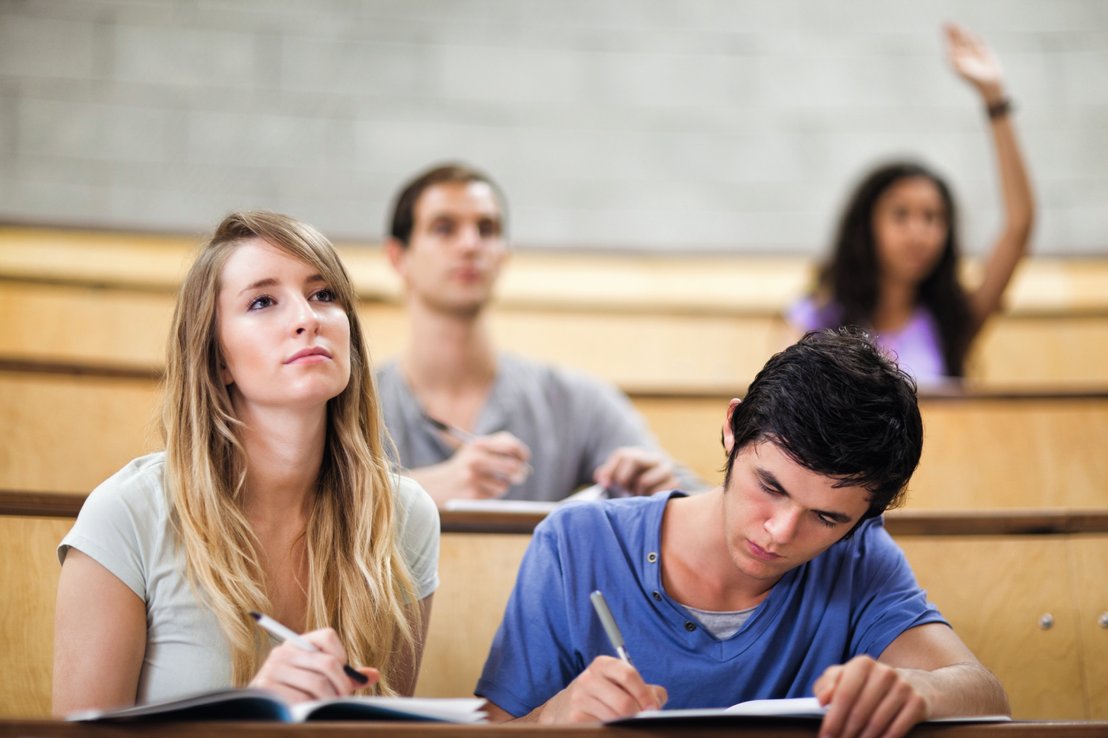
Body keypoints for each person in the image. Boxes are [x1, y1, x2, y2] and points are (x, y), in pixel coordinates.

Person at [476, 328, 1010, 736]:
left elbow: (985, 692)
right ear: (733, 428)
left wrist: (918, 689)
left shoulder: (860, 558)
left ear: (864, 519)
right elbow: (496, 728)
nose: (779, 532)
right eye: (770, 486)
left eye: (826, 518)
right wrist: (552, 717)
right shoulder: (578, 543)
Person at [53, 212, 439, 715]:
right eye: (262, 301)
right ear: (219, 360)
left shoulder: (404, 516)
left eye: (323, 294)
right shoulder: (126, 515)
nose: (307, 318)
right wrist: (252, 712)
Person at [377, 163, 701, 506]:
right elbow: (314, 506)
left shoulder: (573, 402)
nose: (470, 244)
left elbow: (703, 503)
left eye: (486, 229)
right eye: (444, 228)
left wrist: (665, 494)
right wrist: (420, 491)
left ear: (504, 255)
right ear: (398, 257)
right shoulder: (351, 406)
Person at [788, 23, 1035, 384]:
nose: (919, 231)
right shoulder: (816, 320)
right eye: (901, 215)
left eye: (934, 217)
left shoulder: (949, 321)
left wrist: (995, 98)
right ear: (866, 225)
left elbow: (1019, 226)